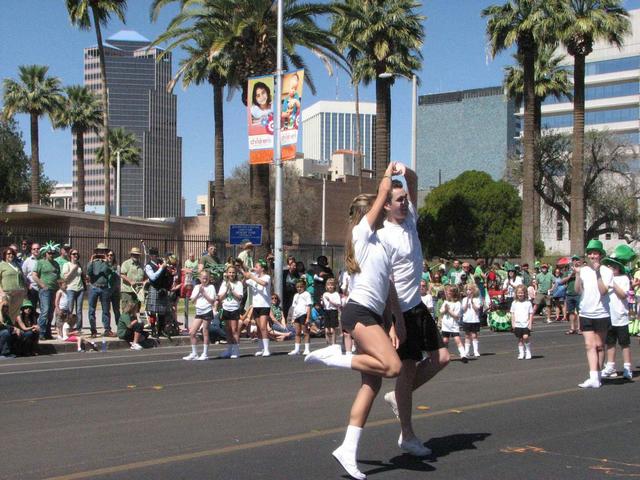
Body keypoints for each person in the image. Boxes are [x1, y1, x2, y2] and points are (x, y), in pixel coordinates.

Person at [304, 162, 405, 480]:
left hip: (374, 315)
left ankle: (348, 449)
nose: (386, 211)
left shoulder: (381, 245)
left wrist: (394, 323)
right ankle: (339, 357)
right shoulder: (362, 233)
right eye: (380, 208)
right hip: (358, 312)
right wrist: (389, 172)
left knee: (371, 384)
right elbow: (384, 193)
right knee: (393, 368)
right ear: (369, 213)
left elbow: (388, 289)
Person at [377, 169, 449, 458]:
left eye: (405, 199)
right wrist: (394, 321)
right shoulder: (383, 236)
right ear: (385, 204)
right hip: (400, 309)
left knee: (442, 358)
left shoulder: (410, 221)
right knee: (406, 370)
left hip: (417, 305)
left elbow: (416, 181)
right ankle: (407, 435)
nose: (404, 203)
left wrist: (405, 172)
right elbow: (387, 282)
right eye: (397, 200)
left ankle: (399, 396)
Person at [575, 239, 614, 389]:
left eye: (595, 253)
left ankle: (598, 375)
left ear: (600, 255)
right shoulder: (584, 270)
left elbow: (603, 291)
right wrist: (577, 274)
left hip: (602, 313)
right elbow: (578, 290)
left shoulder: (607, 271)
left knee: (599, 346)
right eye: (590, 253)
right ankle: (593, 377)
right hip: (586, 312)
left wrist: (598, 272)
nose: (592, 256)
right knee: (589, 345)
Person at [600, 256, 633, 381]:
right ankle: (610, 367)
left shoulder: (624, 278)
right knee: (610, 343)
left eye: (614, 266)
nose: (611, 268)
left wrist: (613, 284)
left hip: (621, 316)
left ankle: (627, 368)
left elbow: (624, 295)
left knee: (624, 344)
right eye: (609, 266)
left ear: (619, 268)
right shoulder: (606, 279)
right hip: (609, 316)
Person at [183, 271, 217, 360]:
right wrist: (199, 292)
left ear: (209, 278)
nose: (204, 280)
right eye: (203, 278)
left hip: (207, 311)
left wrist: (204, 293)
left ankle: (205, 353)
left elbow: (212, 301)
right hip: (199, 312)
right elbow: (193, 300)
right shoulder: (197, 287)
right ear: (200, 278)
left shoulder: (211, 287)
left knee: (205, 331)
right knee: (192, 332)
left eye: (206, 278)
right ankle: (194, 353)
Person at [243, 259, 272, 357]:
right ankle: (261, 348)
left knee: (263, 327)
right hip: (256, 305)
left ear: (262, 269)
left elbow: (263, 283)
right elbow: (244, 283)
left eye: (257, 267)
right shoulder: (253, 277)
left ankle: (267, 349)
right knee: (259, 328)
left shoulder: (267, 277)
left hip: (264, 305)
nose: (255, 268)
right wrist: (244, 273)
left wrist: (251, 276)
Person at [86, 242, 115, 338]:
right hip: (94, 287)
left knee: (106, 310)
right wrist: (91, 260)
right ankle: (93, 330)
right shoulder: (93, 262)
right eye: (100, 251)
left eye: (103, 251)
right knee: (91, 310)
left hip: (104, 288)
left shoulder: (107, 262)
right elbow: (88, 272)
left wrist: (107, 262)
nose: (102, 252)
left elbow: (111, 272)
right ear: (97, 251)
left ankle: (107, 329)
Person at [32, 243, 61, 340]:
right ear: (45, 253)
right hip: (45, 291)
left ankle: (48, 332)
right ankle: (41, 333)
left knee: (51, 312)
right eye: (49, 253)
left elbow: (58, 277)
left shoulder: (56, 264)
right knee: (45, 310)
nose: (51, 254)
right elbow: (34, 275)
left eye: (52, 253)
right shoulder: (40, 262)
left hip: (54, 290)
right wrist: (42, 285)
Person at [145, 247, 173, 339]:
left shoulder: (161, 263)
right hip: (154, 288)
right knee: (152, 311)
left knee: (162, 311)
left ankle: (161, 330)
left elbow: (167, 274)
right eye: (153, 255)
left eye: (156, 255)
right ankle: (153, 329)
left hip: (162, 288)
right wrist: (162, 268)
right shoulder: (148, 266)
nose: (155, 257)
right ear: (150, 256)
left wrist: (171, 272)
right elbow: (153, 277)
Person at [218, 264, 244, 359]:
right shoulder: (224, 283)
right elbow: (220, 297)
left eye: (233, 272)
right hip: (226, 308)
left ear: (236, 273)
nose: (231, 274)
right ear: (227, 274)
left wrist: (232, 290)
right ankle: (229, 350)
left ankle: (236, 350)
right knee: (228, 330)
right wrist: (226, 290)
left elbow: (240, 297)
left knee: (234, 330)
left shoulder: (238, 284)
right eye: (230, 272)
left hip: (234, 309)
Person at [439, 285, 467, 363]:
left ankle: (463, 355)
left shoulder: (458, 303)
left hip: (454, 325)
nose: (447, 293)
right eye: (447, 292)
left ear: (453, 293)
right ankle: (445, 355)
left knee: (457, 339)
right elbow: (441, 312)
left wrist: (449, 310)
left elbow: (457, 316)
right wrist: (445, 309)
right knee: (445, 340)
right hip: (446, 325)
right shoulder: (445, 302)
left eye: (449, 292)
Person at [0, 247, 26, 322]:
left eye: (12, 254)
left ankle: (12, 330)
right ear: (4, 255)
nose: (11, 255)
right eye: (8, 254)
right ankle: (4, 331)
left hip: (19, 293)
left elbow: (22, 278)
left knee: (14, 314)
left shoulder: (17, 265)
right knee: (4, 313)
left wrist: (24, 290)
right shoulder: (1, 265)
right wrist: (2, 293)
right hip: (7, 293)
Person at [287, 279, 313, 355]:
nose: (299, 288)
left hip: (303, 314)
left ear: (304, 287)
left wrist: (308, 318)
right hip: (296, 316)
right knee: (297, 332)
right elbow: (294, 307)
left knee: (305, 332)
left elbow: (308, 306)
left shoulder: (307, 294)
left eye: (301, 287)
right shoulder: (296, 295)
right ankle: (297, 349)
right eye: (297, 287)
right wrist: (292, 318)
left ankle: (307, 349)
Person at [62, 248, 85, 333]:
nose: (76, 255)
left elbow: (81, 276)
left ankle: (78, 328)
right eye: (74, 254)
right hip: (70, 288)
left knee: (79, 310)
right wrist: (73, 269)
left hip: (80, 289)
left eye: (77, 254)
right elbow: (65, 277)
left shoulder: (79, 264)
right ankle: (68, 326)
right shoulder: (66, 264)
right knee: (70, 309)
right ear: (70, 255)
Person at [510, 285, 534, 360]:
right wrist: (513, 323)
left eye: (522, 293)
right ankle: (521, 353)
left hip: (526, 324)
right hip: (517, 324)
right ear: (516, 294)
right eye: (519, 293)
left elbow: (530, 314)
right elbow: (512, 314)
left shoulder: (528, 303)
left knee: (525, 337)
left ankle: (528, 351)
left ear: (525, 293)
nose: (520, 294)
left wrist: (530, 324)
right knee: (520, 339)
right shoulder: (514, 303)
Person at [562, 255, 582, 335]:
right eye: (574, 260)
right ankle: (572, 328)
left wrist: (577, 273)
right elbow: (562, 281)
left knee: (580, 312)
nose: (575, 261)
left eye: (577, 260)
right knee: (570, 312)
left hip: (579, 293)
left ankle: (579, 328)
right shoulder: (568, 271)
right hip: (569, 293)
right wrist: (571, 275)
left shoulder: (582, 270)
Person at [461, 283, 482, 358]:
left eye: (470, 290)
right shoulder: (464, 299)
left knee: (474, 335)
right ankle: (467, 351)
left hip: (474, 320)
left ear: (473, 291)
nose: (468, 291)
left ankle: (475, 351)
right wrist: (467, 301)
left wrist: (472, 301)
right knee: (467, 336)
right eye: (467, 290)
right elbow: (464, 309)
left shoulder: (477, 299)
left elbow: (477, 309)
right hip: (466, 320)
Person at [322, 278, 341, 346]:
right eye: (328, 285)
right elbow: (323, 305)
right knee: (327, 330)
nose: (330, 286)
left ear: (334, 286)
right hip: (326, 311)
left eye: (332, 285)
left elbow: (338, 304)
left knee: (332, 330)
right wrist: (322, 302)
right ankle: (328, 344)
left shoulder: (336, 294)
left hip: (333, 311)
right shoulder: (325, 294)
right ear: (326, 286)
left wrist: (330, 301)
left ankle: (333, 344)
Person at [21, 242, 41, 310]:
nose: (36, 250)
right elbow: (23, 274)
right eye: (34, 249)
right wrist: (28, 284)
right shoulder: (27, 261)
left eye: (38, 248)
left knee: (44, 309)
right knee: (32, 309)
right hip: (33, 288)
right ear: (31, 250)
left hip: (43, 288)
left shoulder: (43, 260)